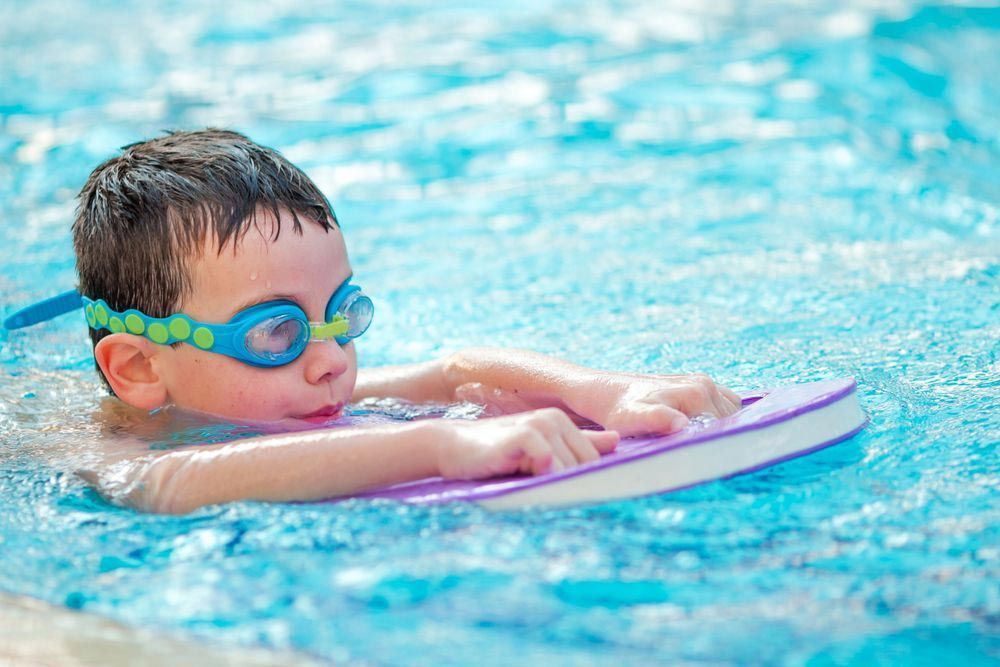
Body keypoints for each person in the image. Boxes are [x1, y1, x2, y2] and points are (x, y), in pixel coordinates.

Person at [7, 129, 741, 514]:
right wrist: (439, 446)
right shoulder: (116, 451)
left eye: (340, 315)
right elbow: (179, 479)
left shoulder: (283, 393)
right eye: (275, 333)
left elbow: (454, 372)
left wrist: (604, 391)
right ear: (139, 368)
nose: (330, 360)